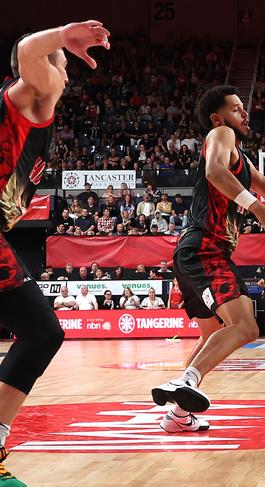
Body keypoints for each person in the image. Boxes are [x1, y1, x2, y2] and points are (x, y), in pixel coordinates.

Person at [151, 86, 265, 433]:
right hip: (205, 247)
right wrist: (257, 208)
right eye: (236, 109)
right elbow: (214, 172)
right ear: (219, 118)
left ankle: (177, 416)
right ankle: (185, 381)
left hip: (195, 250)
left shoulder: (243, 163)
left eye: (243, 109)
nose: (244, 114)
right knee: (246, 325)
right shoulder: (221, 133)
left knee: (212, 334)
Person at [0, 22, 110, 484]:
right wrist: (64, 35)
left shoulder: (35, 112)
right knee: (41, 330)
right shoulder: (32, 97)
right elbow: (28, 51)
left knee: (41, 332)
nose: (67, 76)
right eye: (64, 65)